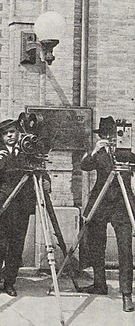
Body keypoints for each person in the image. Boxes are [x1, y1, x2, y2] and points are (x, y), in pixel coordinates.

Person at [0, 119, 48, 297]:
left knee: (16, 247)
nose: (10, 135)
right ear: (1, 135)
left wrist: (47, 181)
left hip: (20, 207)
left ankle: (9, 282)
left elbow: (41, 168)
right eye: (6, 133)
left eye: (13, 132)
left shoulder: (27, 150)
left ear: (18, 133)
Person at [80, 116, 134, 312]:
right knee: (96, 245)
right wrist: (95, 149)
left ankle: (126, 294)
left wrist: (127, 152)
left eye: (113, 134)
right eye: (105, 135)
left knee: (125, 250)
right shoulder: (98, 153)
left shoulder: (126, 153)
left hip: (122, 206)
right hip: (100, 204)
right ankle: (100, 284)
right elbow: (84, 166)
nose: (110, 138)